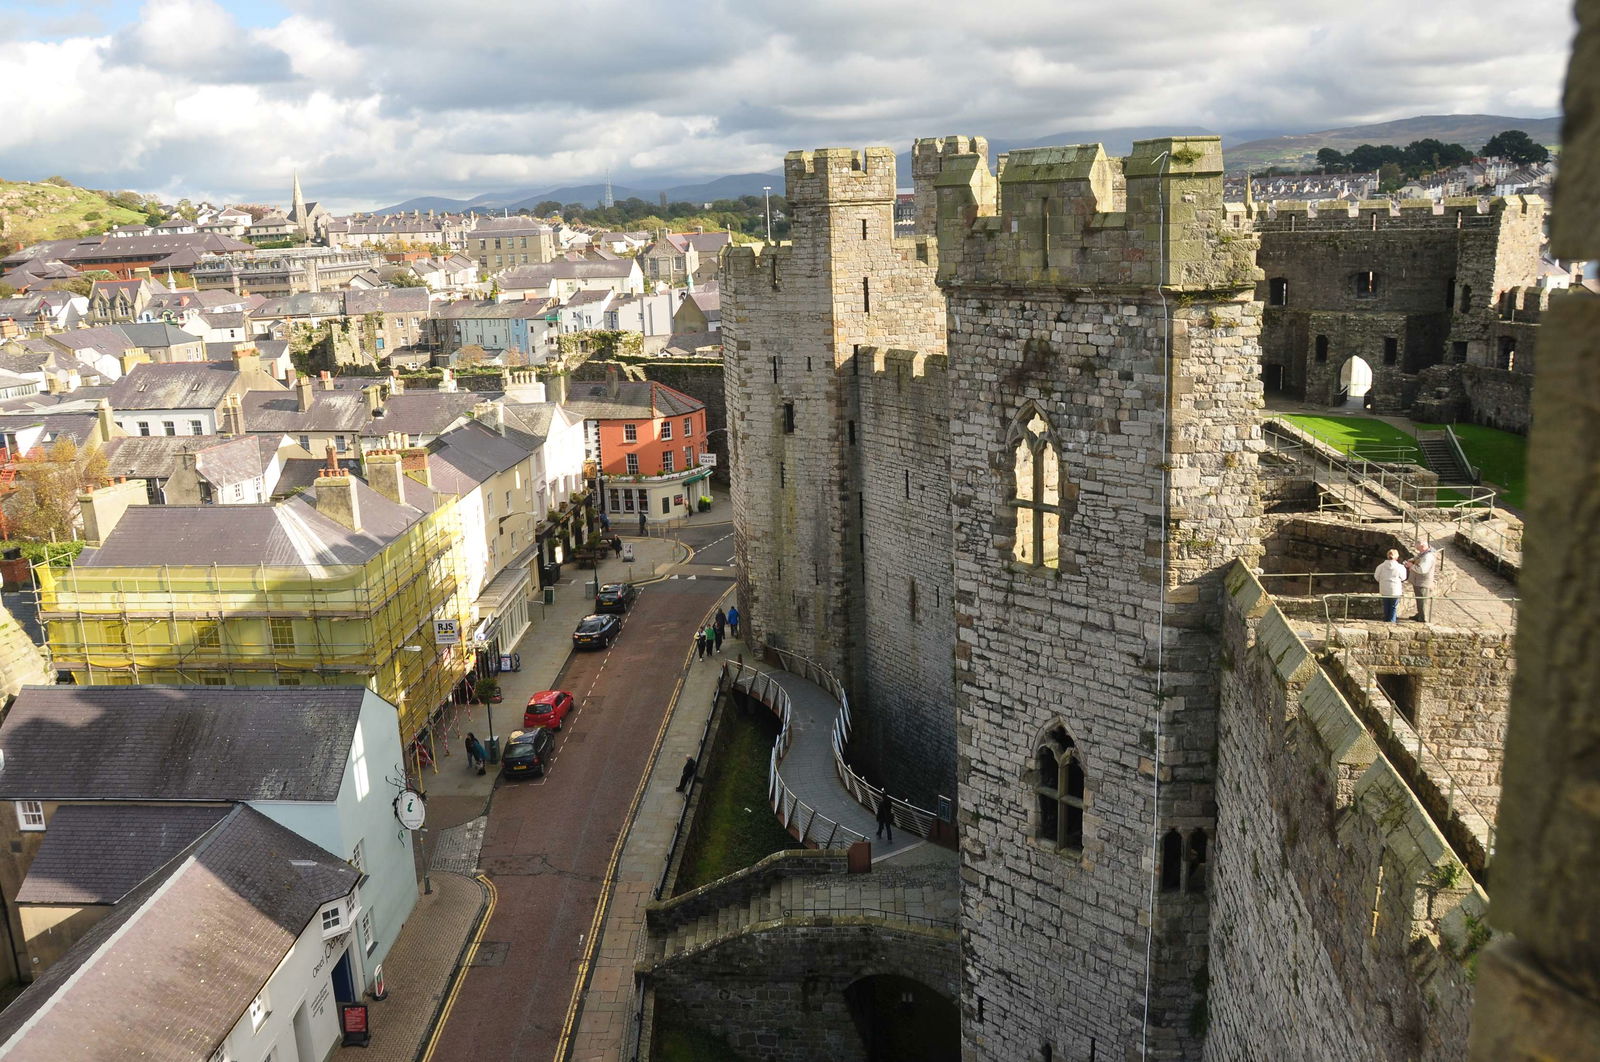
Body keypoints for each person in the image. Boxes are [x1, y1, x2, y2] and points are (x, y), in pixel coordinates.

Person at [1405, 540, 1439, 622]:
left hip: (1423, 582)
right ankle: (1420, 615)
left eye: (1418, 548)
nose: (1417, 550)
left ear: (1423, 547)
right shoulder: (1424, 553)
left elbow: (1422, 569)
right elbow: (1418, 558)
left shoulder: (1428, 557)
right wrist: (1412, 560)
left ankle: (1423, 618)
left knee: (1423, 602)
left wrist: (1411, 565)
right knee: (1420, 601)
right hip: (1419, 581)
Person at [1374, 548, 1407, 623]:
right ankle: (1392, 622)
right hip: (1395, 589)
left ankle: (1386, 620)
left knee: (1386, 605)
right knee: (1394, 607)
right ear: (1397, 557)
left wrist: (1383, 581)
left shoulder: (1381, 566)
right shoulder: (1400, 567)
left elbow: (1376, 576)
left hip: (1384, 588)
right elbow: (1403, 577)